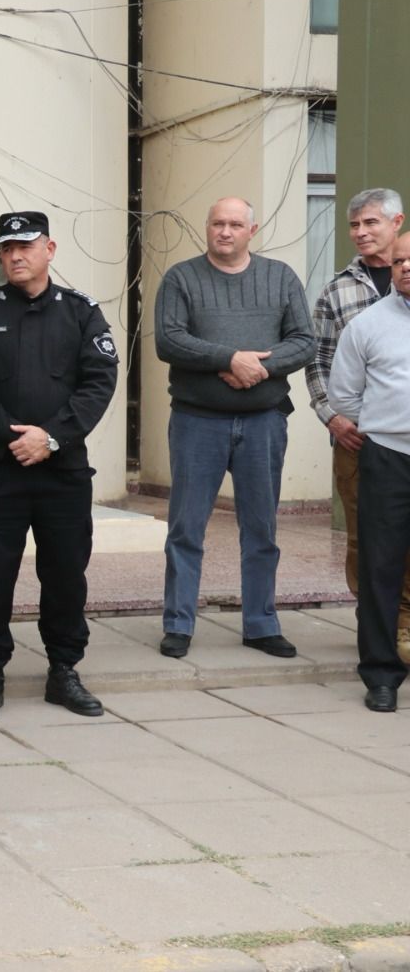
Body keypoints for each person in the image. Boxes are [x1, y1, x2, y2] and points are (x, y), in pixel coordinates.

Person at [0, 211, 118, 721]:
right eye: (7, 248)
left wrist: (52, 438)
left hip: (62, 470)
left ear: (50, 250)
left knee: (65, 572)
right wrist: (13, 438)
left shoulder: (81, 312)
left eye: (25, 246)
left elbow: (99, 381)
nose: (15, 256)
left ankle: (64, 670)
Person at [153, 198, 315, 659]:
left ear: (252, 230)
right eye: (217, 223)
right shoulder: (181, 278)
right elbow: (169, 339)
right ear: (207, 227)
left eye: (235, 224)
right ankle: (178, 623)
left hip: (264, 421)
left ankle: (261, 624)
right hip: (196, 421)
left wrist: (258, 368)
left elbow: (304, 341)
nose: (225, 231)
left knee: (261, 529)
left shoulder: (280, 277)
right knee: (186, 527)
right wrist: (228, 359)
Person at [306, 188, 410, 662]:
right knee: (366, 540)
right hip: (356, 439)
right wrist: (334, 418)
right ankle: (376, 629)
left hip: (394, 436)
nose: (361, 233)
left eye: (370, 222)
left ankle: (403, 625)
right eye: (354, 225)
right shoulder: (337, 290)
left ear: (396, 223)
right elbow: (318, 362)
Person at [328, 230, 410, 712]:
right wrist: (386, 424)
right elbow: (344, 393)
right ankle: (381, 674)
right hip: (388, 458)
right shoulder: (368, 324)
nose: (405, 267)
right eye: (399, 261)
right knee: (380, 566)